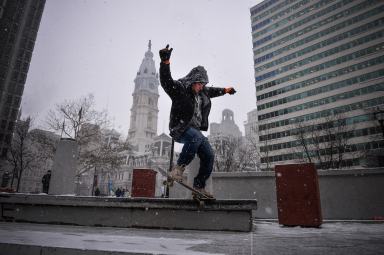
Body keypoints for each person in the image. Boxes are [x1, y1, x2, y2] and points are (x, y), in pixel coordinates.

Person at [159, 44, 236, 198]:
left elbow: (213, 91)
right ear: (193, 81)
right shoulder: (180, 88)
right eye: (199, 84)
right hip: (179, 128)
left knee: (209, 155)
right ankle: (178, 169)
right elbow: (166, 82)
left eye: (203, 85)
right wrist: (165, 63)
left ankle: (199, 187)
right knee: (196, 136)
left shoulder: (203, 91)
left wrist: (226, 90)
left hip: (195, 132)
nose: (201, 87)